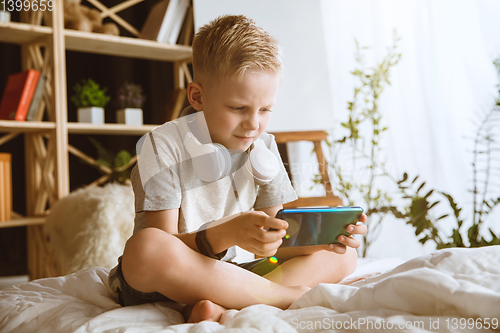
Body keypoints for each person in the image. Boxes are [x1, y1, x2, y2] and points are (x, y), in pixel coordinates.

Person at [108, 14, 367, 324]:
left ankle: (219, 305)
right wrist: (222, 235)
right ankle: (285, 298)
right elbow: (164, 244)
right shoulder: (161, 145)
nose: (253, 124)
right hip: (163, 282)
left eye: (265, 109)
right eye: (238, 108)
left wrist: (320, 240)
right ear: (198, 97)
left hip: (227, 277)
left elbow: (273, 246)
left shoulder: (263, 146)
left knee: (344, 256)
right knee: (146, 247)